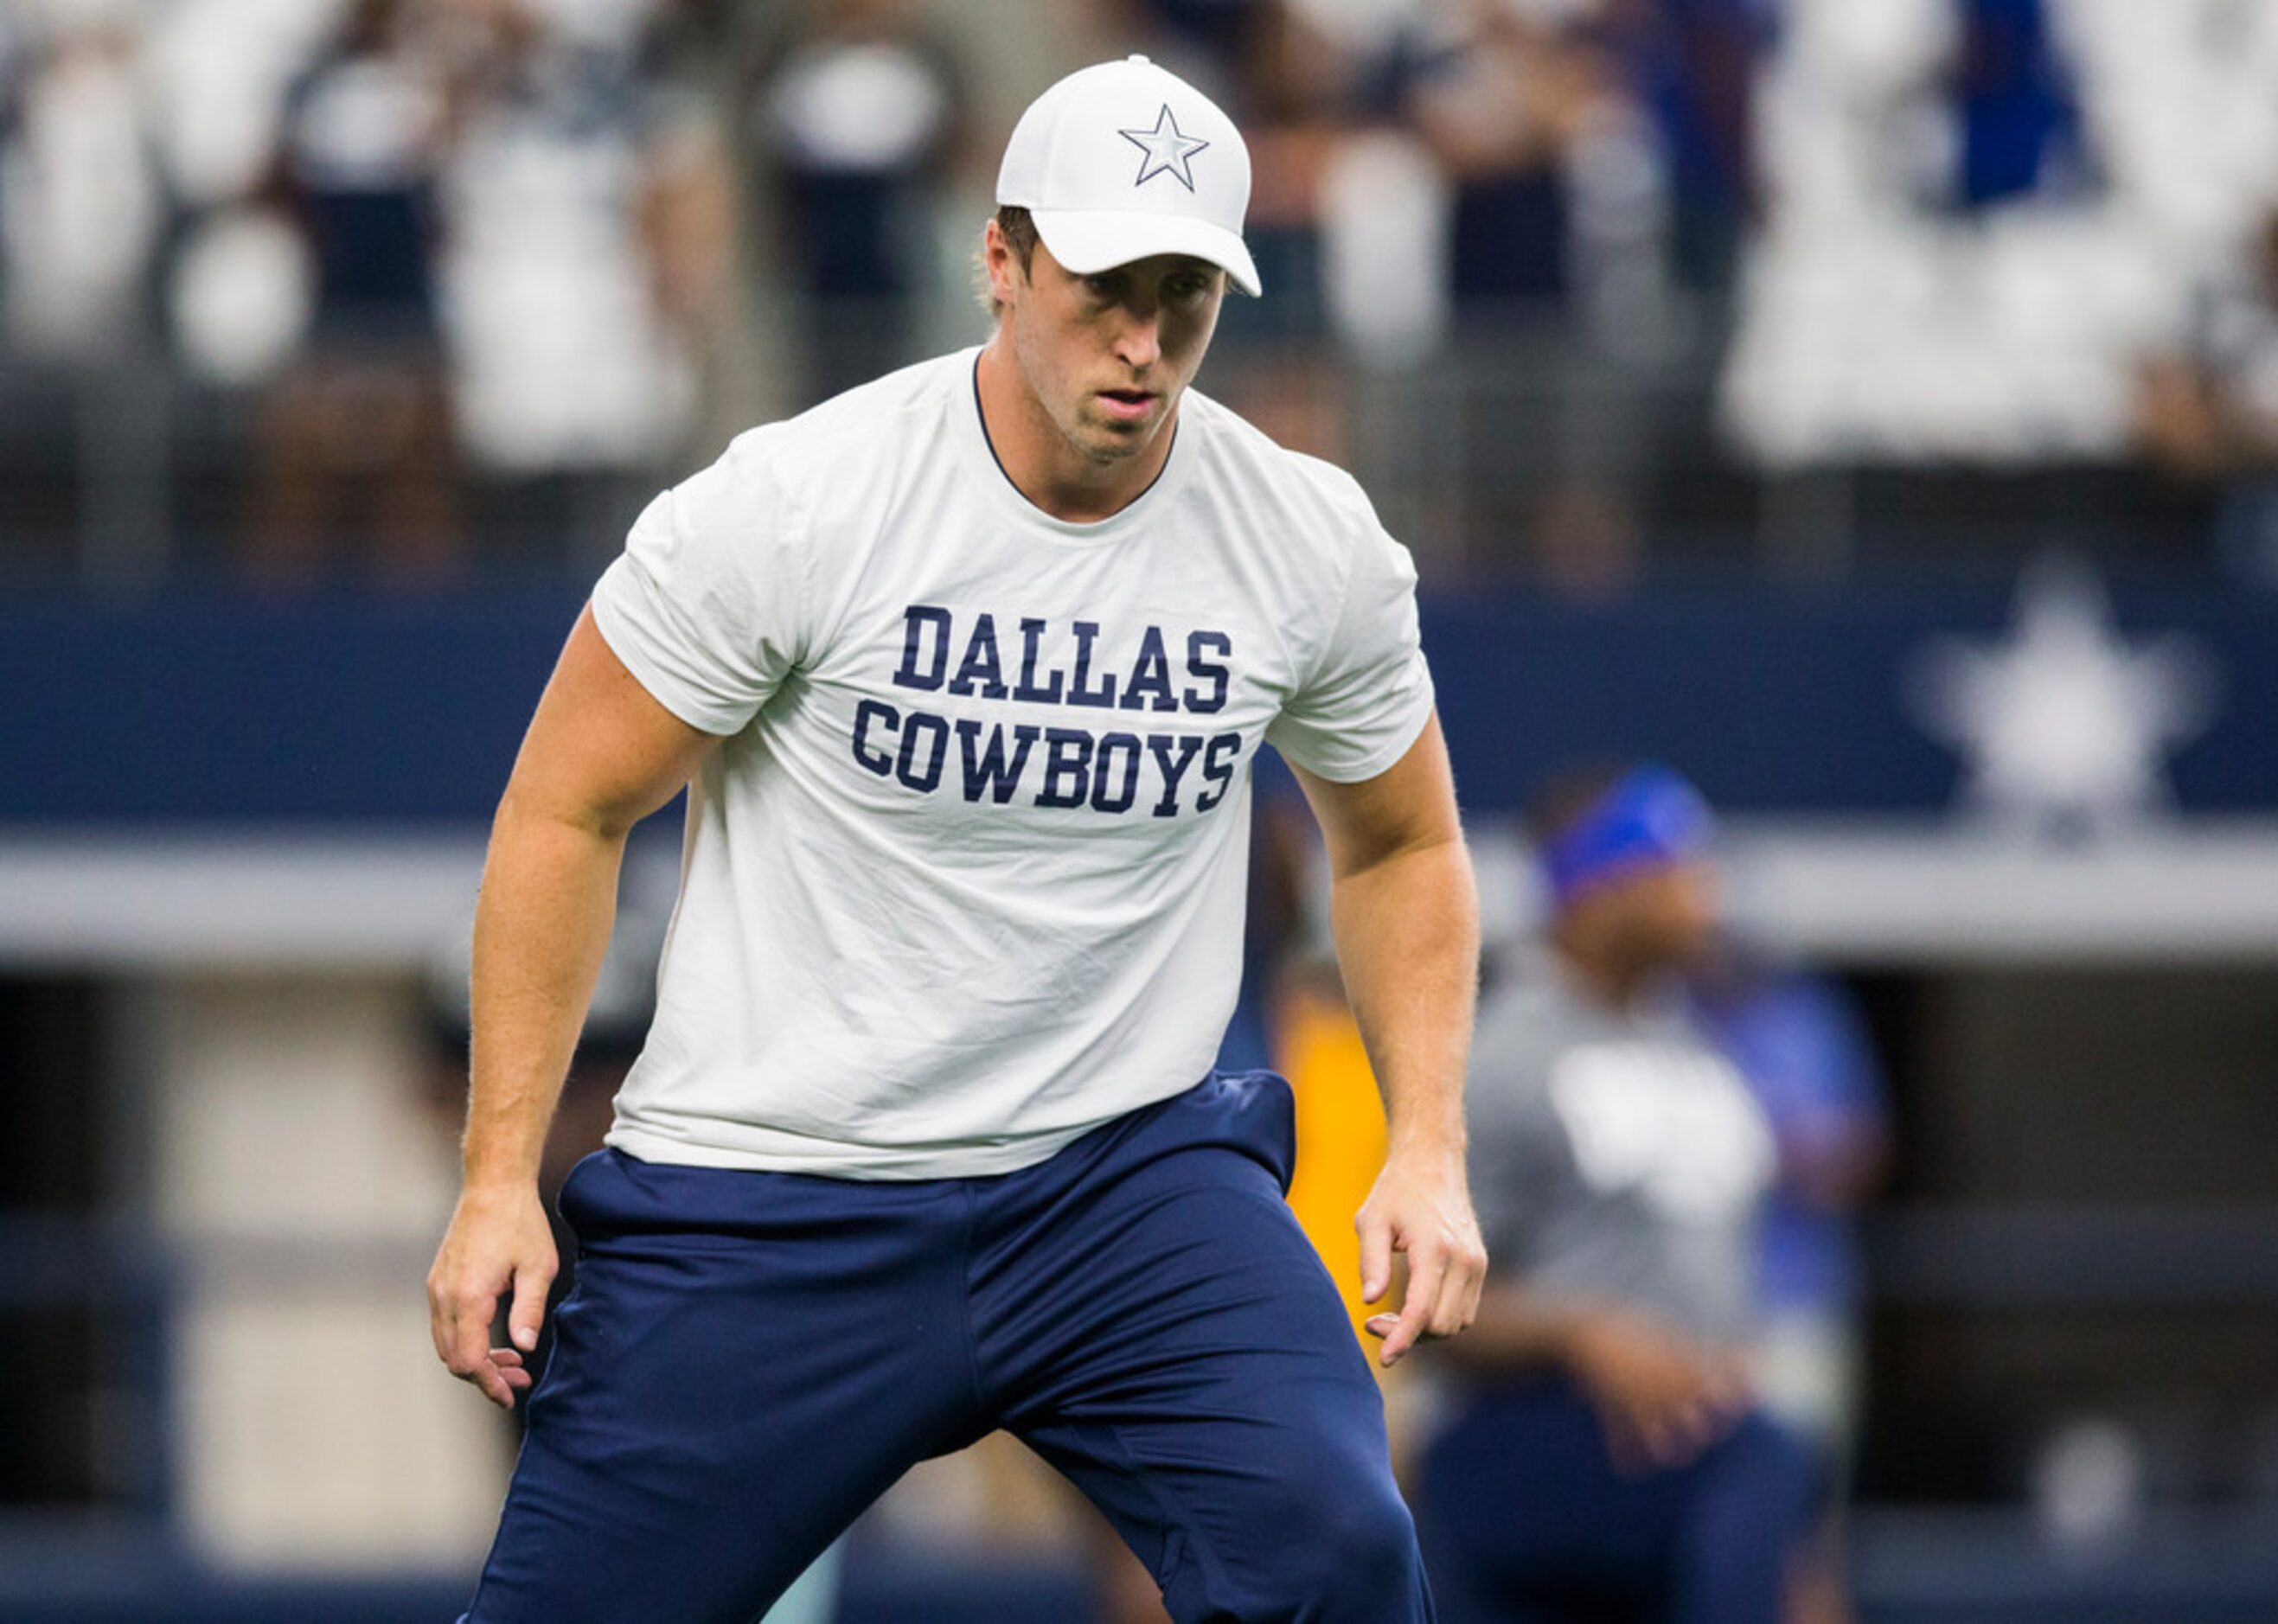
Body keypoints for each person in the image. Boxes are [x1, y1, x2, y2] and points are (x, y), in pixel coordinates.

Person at [426, 54, 1485, 1624]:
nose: (1141, 343)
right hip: (779, 1185)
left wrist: (1427, 1143)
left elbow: (1399, 843)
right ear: (998, 259)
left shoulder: (1302, 540)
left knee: (1335, 1550)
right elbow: (567, 804)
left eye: (1183, 295)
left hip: (1122, 1182)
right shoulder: (796, 505)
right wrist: (498, 1177)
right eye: (1103, 288)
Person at [1414, 764, 1825, 1623]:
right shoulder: (1500, 1056)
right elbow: (1421, 1302)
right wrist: (1582, 1332)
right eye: (1674, 866)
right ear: (1597, 890)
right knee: (1769, 1459)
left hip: (1687, 1455)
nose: (1702, 888)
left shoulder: (1702, 1051)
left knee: (1770, 1458)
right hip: (1535, 1445)